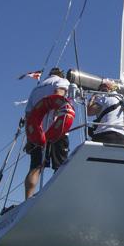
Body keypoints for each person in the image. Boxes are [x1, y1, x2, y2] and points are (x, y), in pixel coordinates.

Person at [24, 67, 71, 199]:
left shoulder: (36, 89)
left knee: (35, 168)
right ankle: (57, 197)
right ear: (60, 74)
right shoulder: (62, 81)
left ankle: (28, 199)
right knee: (60, 167)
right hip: (56, 130)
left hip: (37, 133)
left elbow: (28, 114)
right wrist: (56, 116)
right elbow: (58, 94)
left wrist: (30, 138)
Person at [87, 81, 124, 145]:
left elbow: (89, 112)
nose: (99, 92)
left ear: (106, 89)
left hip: (104, 136)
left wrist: (92, 98)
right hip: (122, 138)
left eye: (100, 90)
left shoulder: (104, 99)